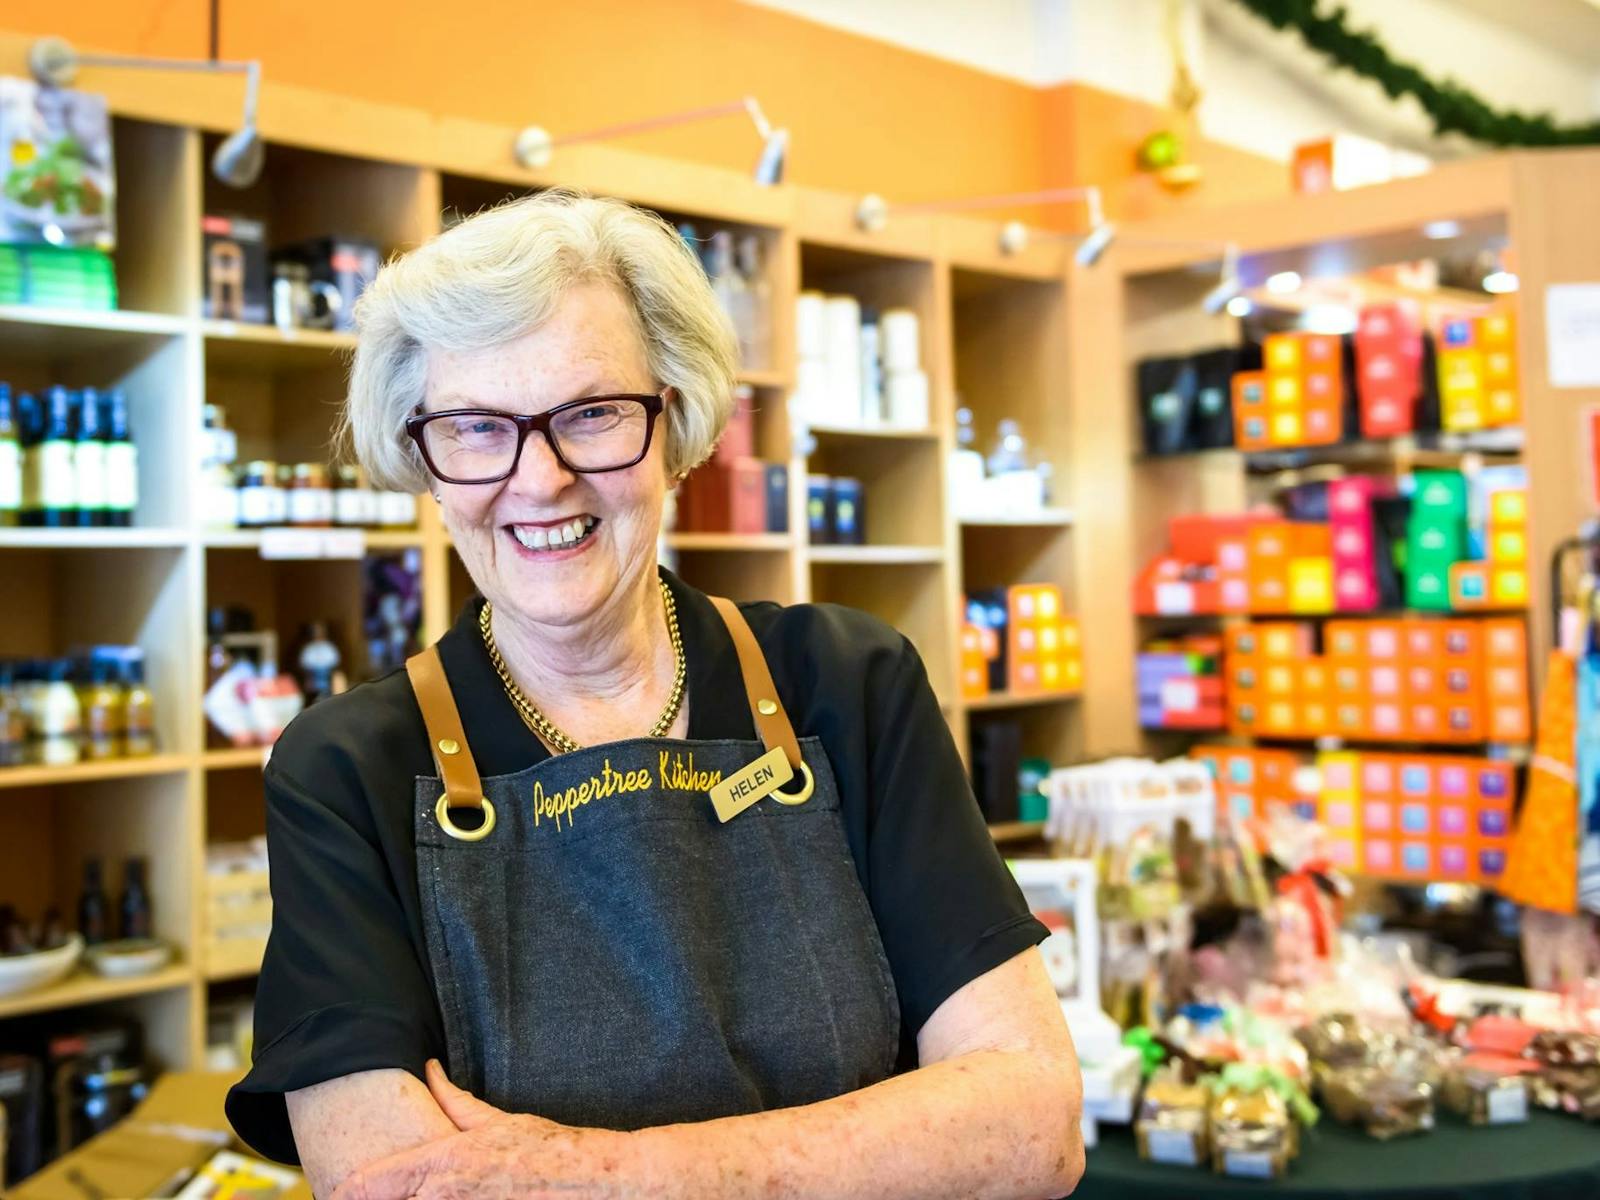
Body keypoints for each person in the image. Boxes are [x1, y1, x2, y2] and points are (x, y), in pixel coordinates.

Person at [225, 190, 1084, 1199]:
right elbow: (392, 1183)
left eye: (589, 414)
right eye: (474, 428)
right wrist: (871, 1148)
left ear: (672, 420)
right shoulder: (345, 768)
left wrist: (599, 1175)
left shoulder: (847, 686)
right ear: (424, 457)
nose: (538, 480)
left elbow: (1030, 1126)